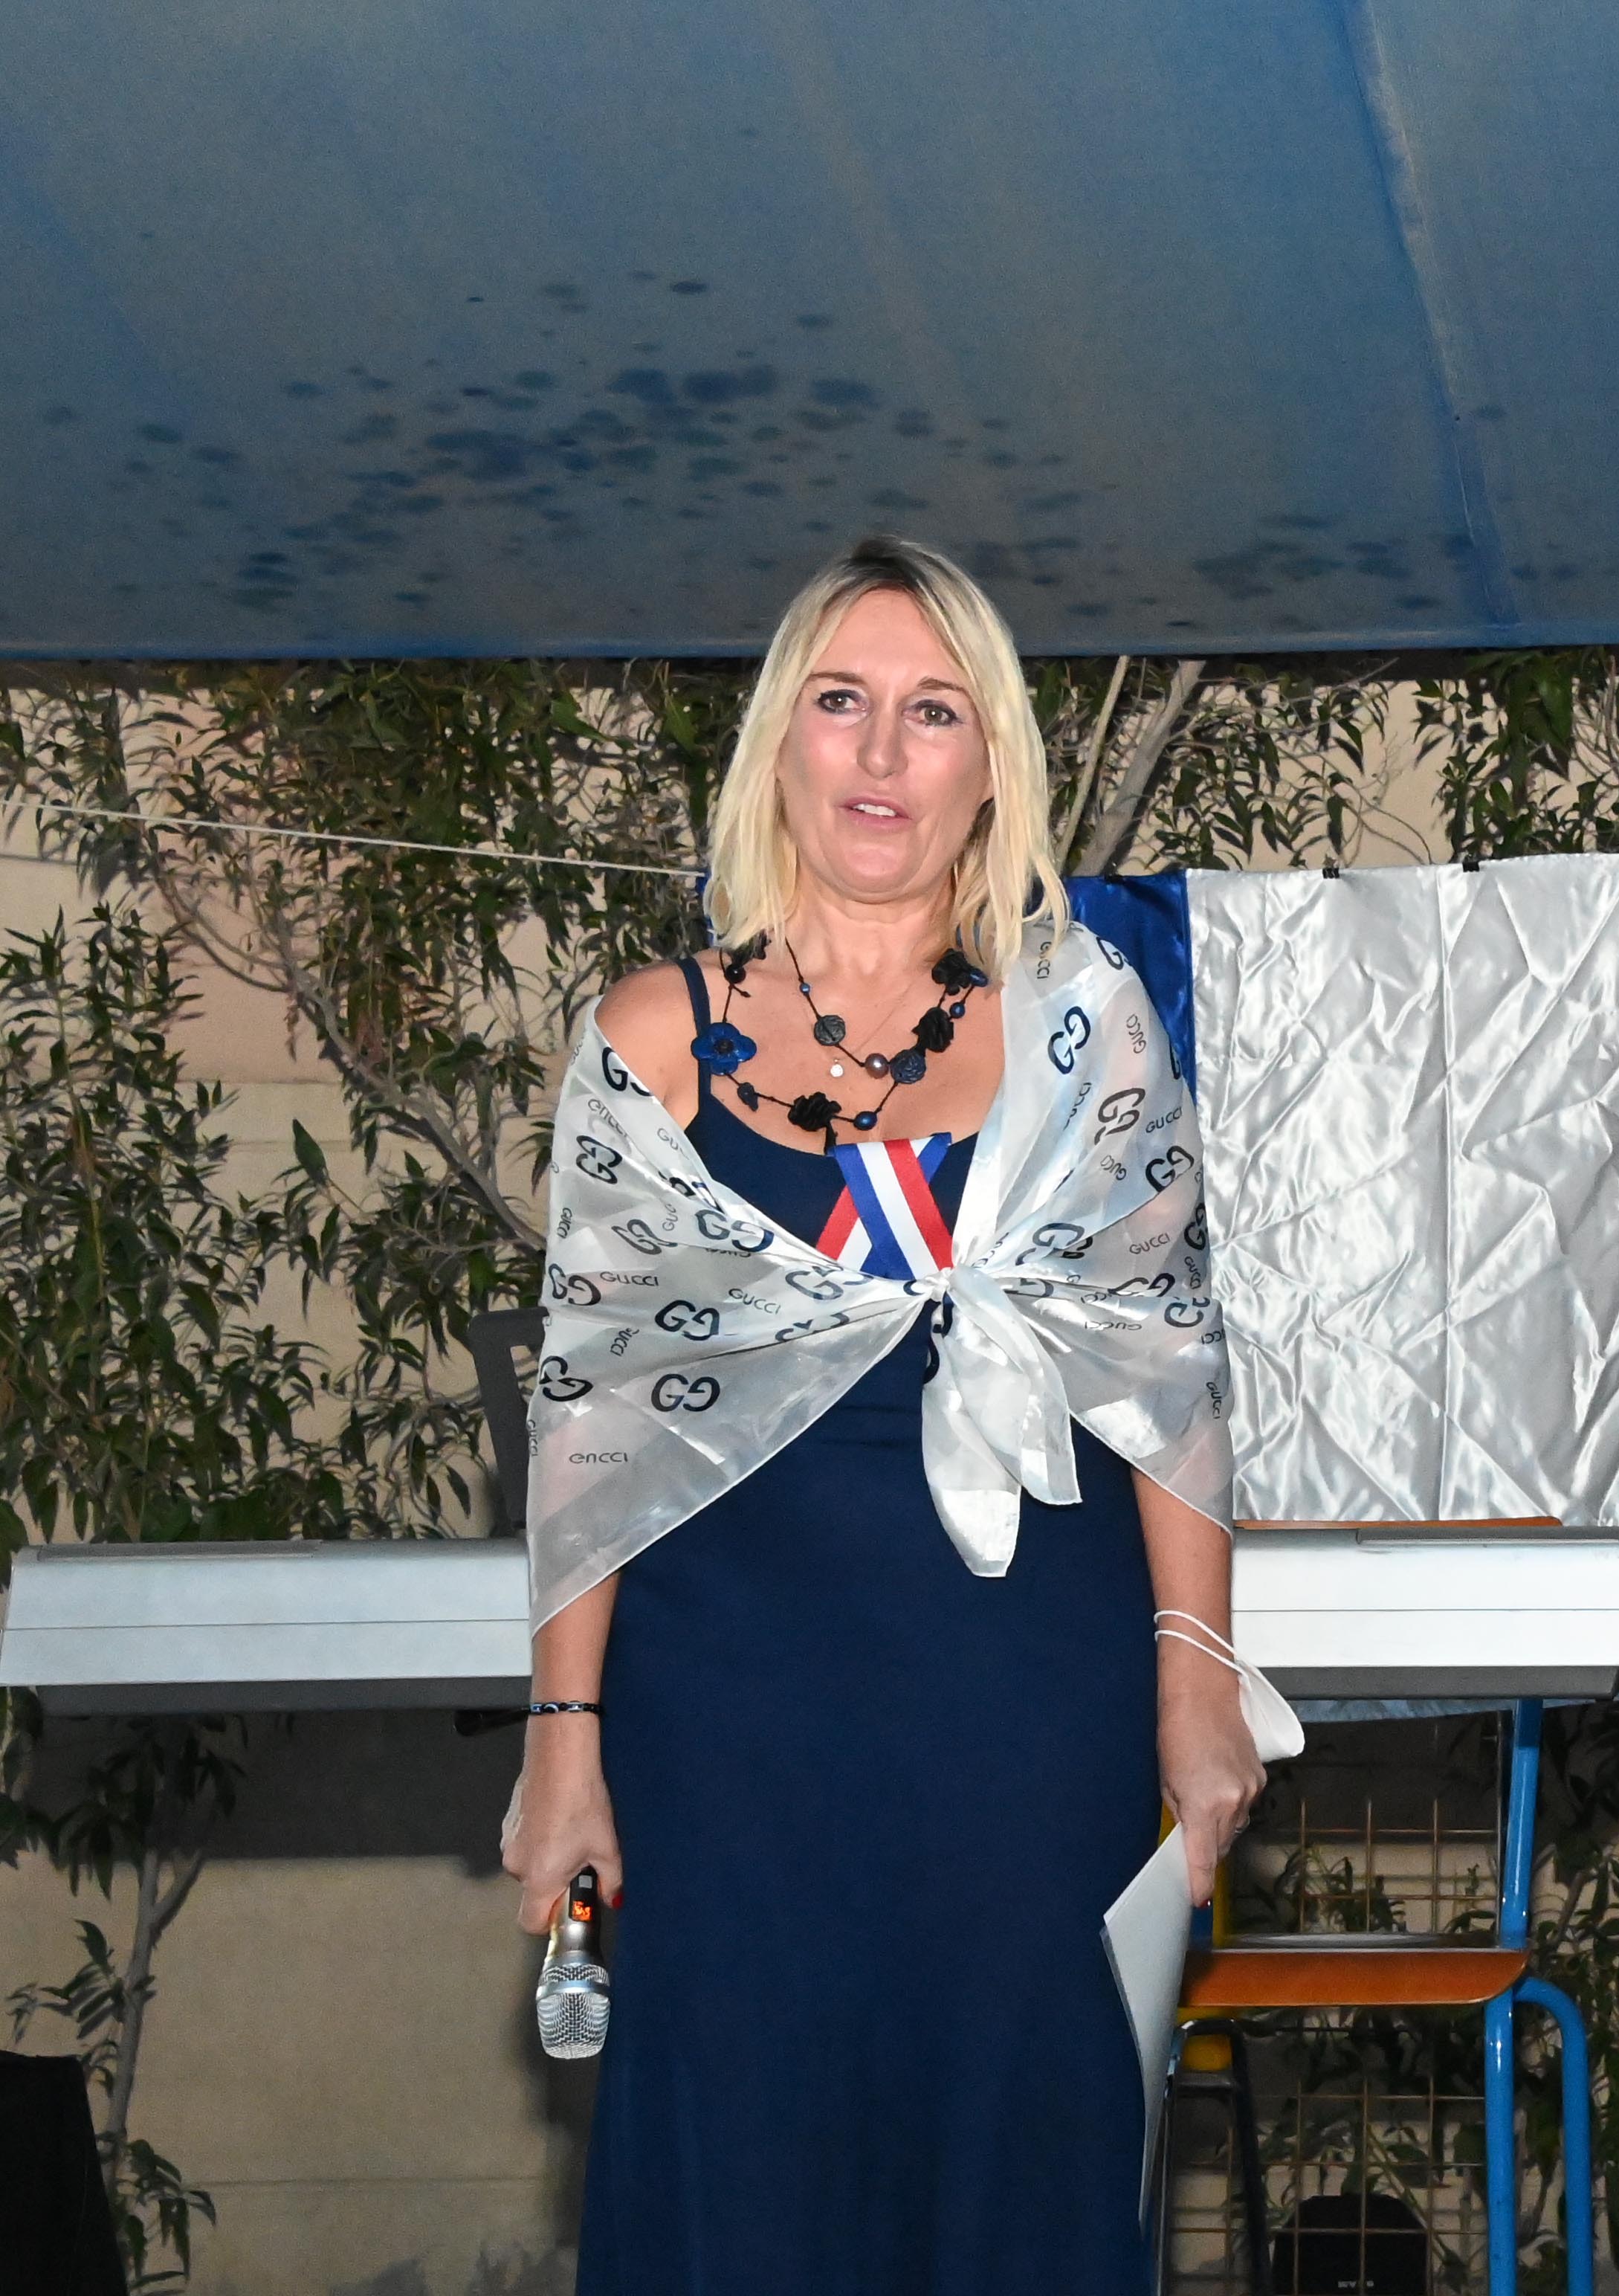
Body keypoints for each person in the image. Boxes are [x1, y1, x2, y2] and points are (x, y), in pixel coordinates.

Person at [502, 535, 1267, 2293]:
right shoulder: (649, 1036)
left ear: (991, 763)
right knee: (744, 2188)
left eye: (933, 712)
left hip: (1029, 1717)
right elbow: (590, 1417)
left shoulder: (1085, 1027)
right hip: (728, 1732)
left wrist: (1198, 1673)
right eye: (841, 700)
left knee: (1021, 2173)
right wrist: (563, 1736)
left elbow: (1163, 1361)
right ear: (781, 736)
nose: (878, 751)